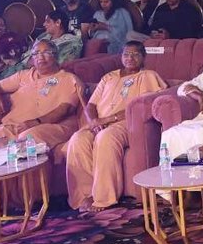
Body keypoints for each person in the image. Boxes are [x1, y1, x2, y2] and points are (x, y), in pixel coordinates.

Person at [64, 41, 165, 210]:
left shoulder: (149, 76)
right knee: (77, 139)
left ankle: (103, 198)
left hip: (126, 123)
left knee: (105, 138)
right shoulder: (109, 77)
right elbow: (91, 105)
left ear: (143, 57)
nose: (130, 58)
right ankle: (85, 195)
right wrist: (94, 121)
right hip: (99, 122)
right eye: (126, 54)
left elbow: (144, 106)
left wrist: (108, 120)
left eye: (135, 54)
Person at [0, 40, 86, 162]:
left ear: (55, 55)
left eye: (46, 52)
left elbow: (64, 110)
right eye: (36, 53)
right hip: (17, 125)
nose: (40, 57)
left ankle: (30, 174)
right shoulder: (23, 76)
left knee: (27, 139)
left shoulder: (68, 79)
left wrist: (34, 122)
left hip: (53, 125)